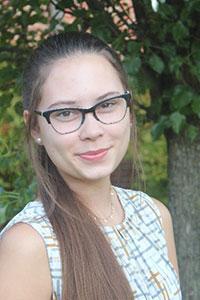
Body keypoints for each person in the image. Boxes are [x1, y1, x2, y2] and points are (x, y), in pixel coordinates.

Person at [0, 31, 181, 300]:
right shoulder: (29, 245)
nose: (92, 130)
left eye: (107, 104)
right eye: (65, 113)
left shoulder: (154, 214)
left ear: (129, 111)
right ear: (35, 127)